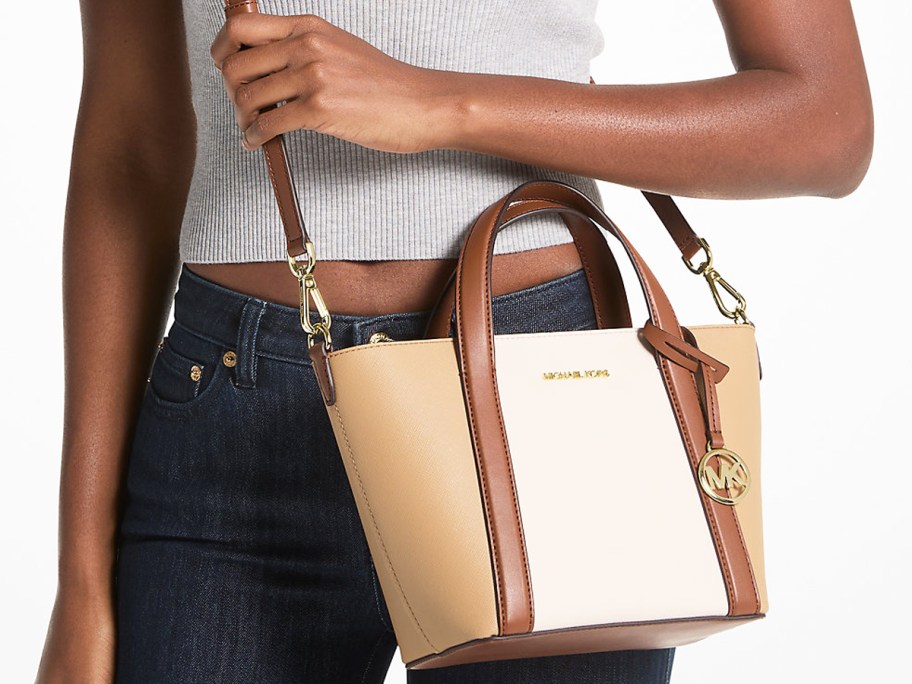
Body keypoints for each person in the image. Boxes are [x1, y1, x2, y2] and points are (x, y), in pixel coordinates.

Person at [35, 1, 872, 682]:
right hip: (236, 412)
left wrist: (439, 103)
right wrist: (80, 586)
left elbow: (825, 121)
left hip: (549, 400)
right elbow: (131, 142)